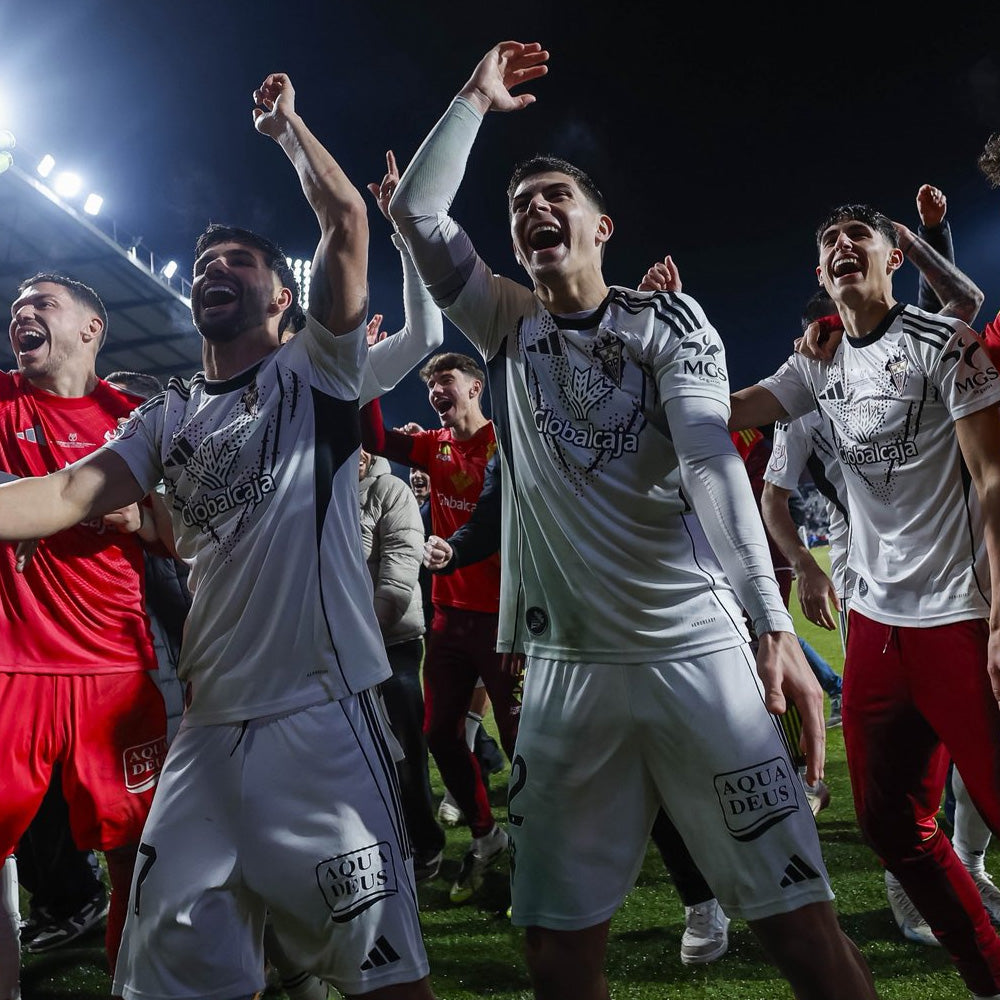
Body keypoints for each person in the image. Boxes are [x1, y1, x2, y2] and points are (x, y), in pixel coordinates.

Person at [389, 40, 878, 1000]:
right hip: (568, 680)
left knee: (800, 932)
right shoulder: (506, 325)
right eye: (519, 201)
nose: (532, 208)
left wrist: (771, 627)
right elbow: (416, 214)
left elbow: (707, 463)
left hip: (695, 658)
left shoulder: (670, 324)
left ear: (601, 224)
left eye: (553, 195)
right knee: (556, 949)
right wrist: (475, 101)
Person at [0, 73, 436, 1000]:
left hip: (322, 717)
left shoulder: (316, 373)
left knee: (383, 982)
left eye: (241, 262)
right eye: (207, 262)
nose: (215, 269)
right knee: (162, 978)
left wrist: (285, 130)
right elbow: (68, 492)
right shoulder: (167, 416)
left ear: (286, 300)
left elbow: (347, 223)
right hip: (205, 729)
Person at [730, 201, 1000, 999]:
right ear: (821, 276)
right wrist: (660, 363)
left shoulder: (944, 343)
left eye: (860, 238)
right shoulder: (816, 363)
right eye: (829, 244)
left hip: (959, 610)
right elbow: (738, 409)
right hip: (878, 625)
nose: (844, 247)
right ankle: (989, 975)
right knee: (890, 826)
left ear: (892, 260)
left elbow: (991, 480)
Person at [0, 272, 168, 1000]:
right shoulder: (2, 401)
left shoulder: (137, 418)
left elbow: (188, 532)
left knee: (141, 857)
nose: (21, 314)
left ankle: (134, 987)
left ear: (91, 329)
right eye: (15, 308)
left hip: (116, 672)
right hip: (12, 669)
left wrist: (140, 519)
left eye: (42, 304)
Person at [361, 352, 521, 905]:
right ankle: (487, 837)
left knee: (523, 739)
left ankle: (539, 843)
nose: (435, 391)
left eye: (445, 380)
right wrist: (373, 373)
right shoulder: (434, 446)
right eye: (430, 384)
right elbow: (376, 437)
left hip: (508, 616)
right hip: (449, 616)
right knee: (439, 733)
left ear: (475, 387)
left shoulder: (508, 440)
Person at [359, 445, 446, 882]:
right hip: (336, 650)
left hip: (390, 644)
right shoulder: (321, 493)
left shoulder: (389, 490)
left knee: (405, 751)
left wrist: (363, 630)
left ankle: (424, 841)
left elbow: (399, 570)